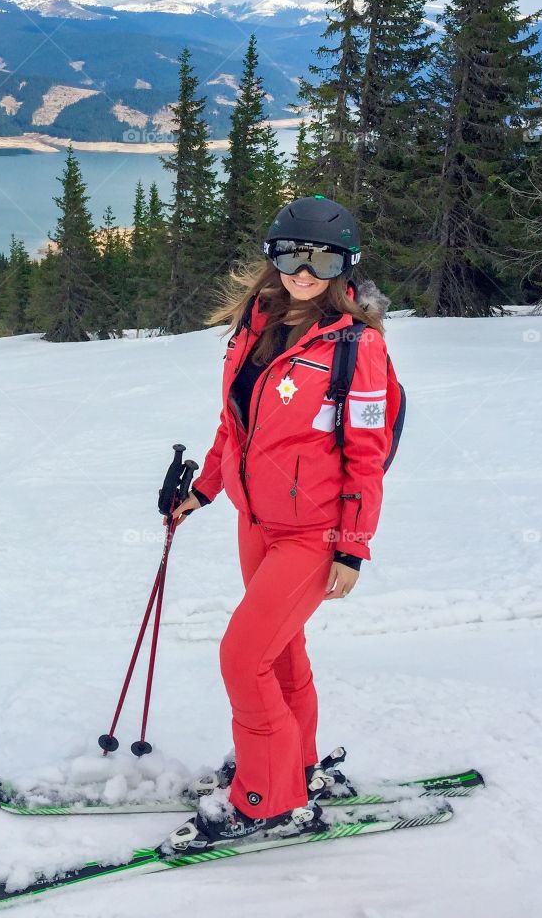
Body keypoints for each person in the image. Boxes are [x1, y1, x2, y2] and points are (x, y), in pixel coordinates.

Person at [163, 195, 393, 853]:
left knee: (240, 656)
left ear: (345, 264)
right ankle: (293, 768)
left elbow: (365, 457)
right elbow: (234, 423)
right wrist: (205, 488)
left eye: (323, 257)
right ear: (274, 256)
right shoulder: (254, 323)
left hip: (313, 535)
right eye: (293, 253)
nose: (305, 269)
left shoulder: (356, 347)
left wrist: (351, 548)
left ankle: (267, 802)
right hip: (257, 522)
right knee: (279, 654)